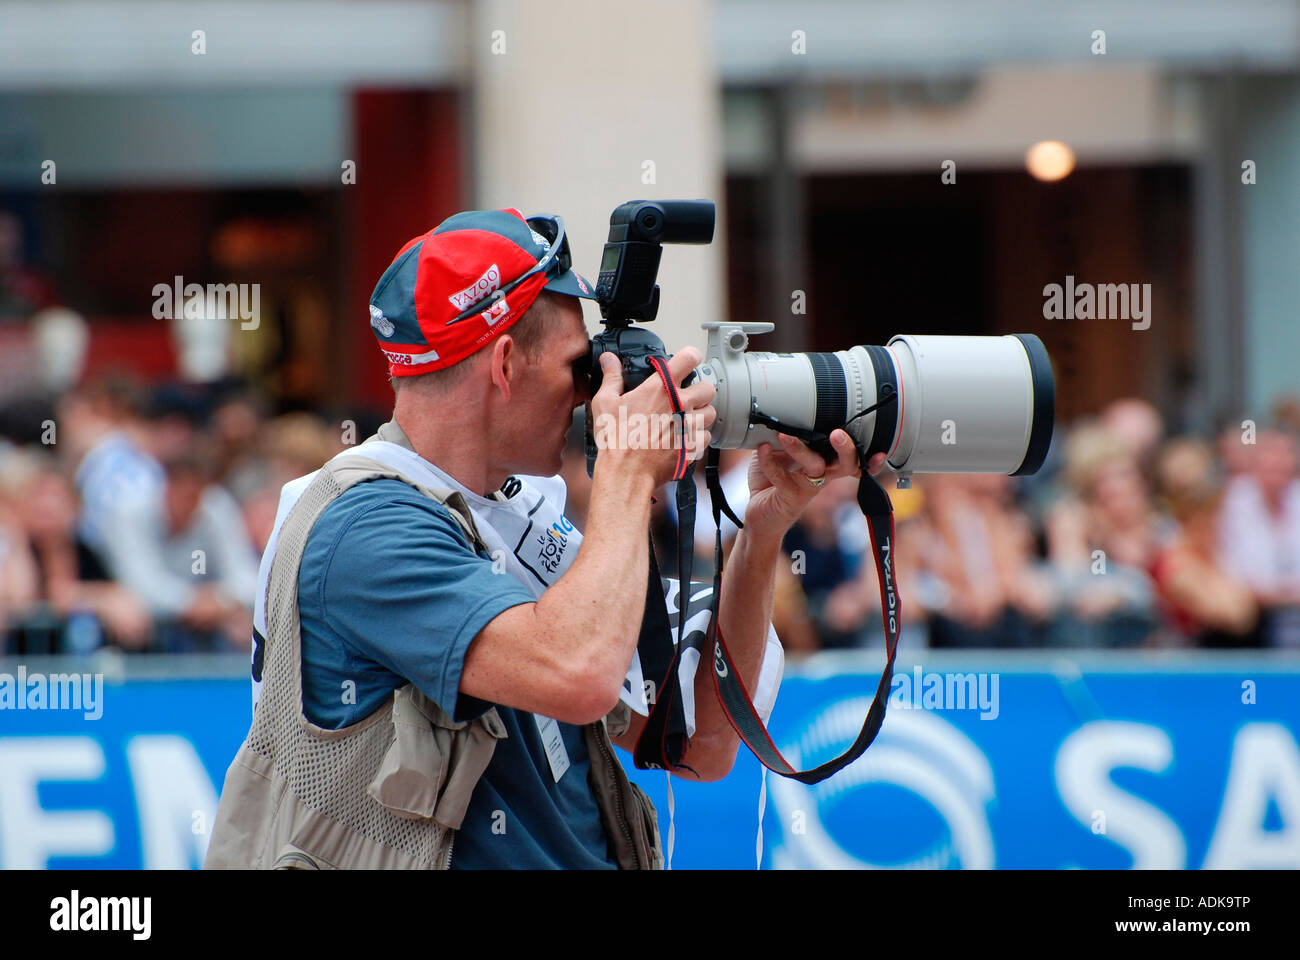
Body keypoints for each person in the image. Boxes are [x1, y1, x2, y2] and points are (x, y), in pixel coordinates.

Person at [205, 208, 881, 870]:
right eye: (580, 369)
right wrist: (625, 468)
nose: (593, 397)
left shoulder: (511, 509)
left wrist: (762, 529)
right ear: (504, 365)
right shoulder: (365, 527)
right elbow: (578, 674)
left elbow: (699, 743)